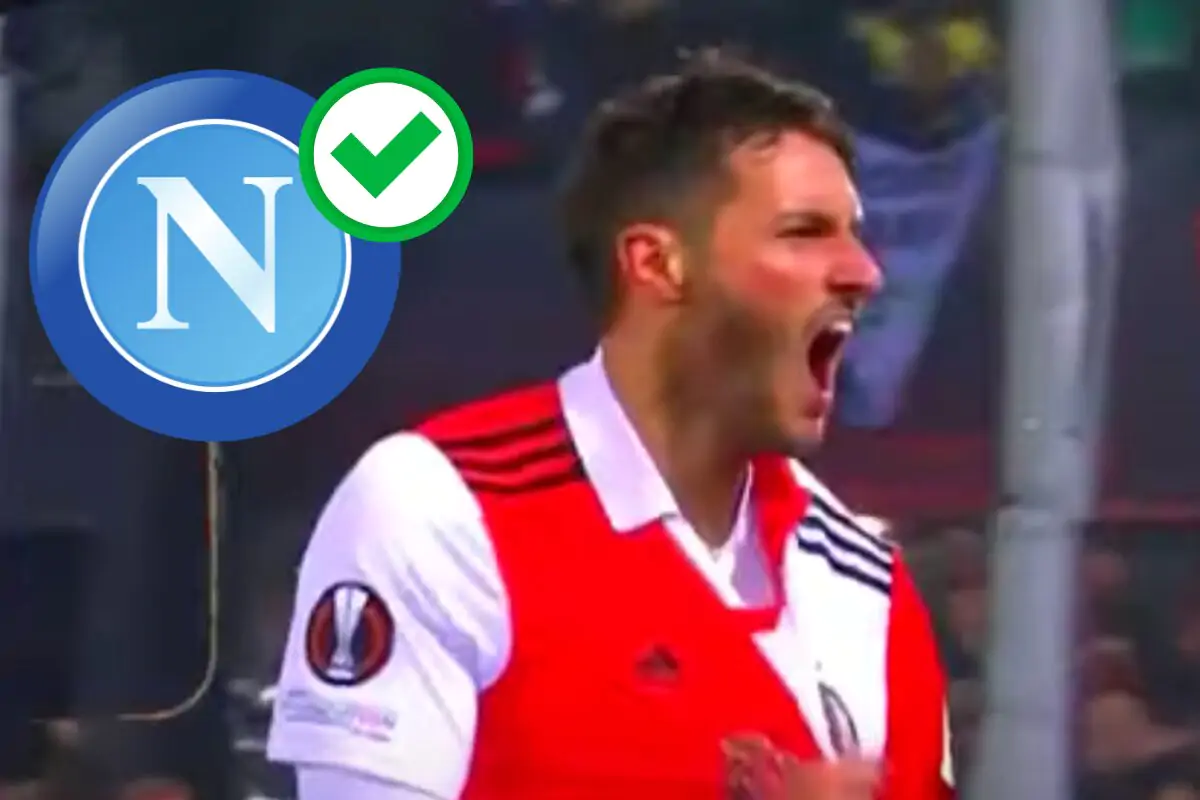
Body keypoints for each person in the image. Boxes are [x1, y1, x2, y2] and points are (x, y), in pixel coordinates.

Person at [266, 50, 953, 799]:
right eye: (804, 231)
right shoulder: (440, 510)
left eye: (853, 233)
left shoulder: (863, 580)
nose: (864, 271)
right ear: (655, 264)